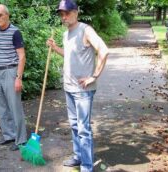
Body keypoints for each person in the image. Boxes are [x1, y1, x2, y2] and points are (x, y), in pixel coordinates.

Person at [46, 0, 109, 171]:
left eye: (67, 13)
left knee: (83, 129)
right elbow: (69, 56)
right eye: (61, 14)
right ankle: (78, 157)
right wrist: (55, 47)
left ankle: (87, 167)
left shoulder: (86, 30)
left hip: (83, 90)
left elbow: (104, 50)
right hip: (69, 87)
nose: (64, 17)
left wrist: (93, 76)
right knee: (74, 125)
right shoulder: (66, 34)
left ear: (76, 12)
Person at [0, 4, 27, 151]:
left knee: (14, 106)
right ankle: (9, 135)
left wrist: (18, 78)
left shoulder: (15, 32)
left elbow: (22, 56)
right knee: (2, 107)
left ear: (7, 15)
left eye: (0, 15)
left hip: (11, 72)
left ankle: (21, 140)